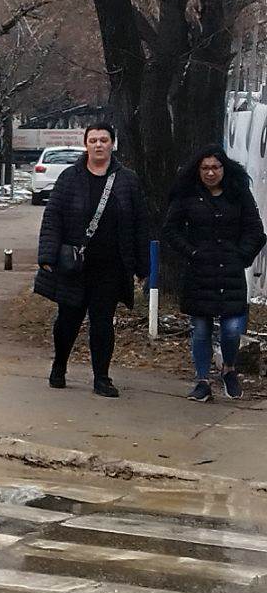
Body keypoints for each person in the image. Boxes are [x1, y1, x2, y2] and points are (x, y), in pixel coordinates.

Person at [35, 120, 149, 397]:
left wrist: (142, 264)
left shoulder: (127, 180)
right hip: (73, 265)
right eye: (93, 140)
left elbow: (139, 223)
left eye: (104, 140)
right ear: (86, 144)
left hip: (110, 266)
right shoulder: (70, 177)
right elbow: (53, 217)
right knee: (67, 320)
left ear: (113, 144)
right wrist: (48, 256)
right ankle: (59, 366)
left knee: (102, 322)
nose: (99, 144)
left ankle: (102, 377)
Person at [161, 146, 265, 401]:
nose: (210, 173)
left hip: (230, 270)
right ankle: (202, 379)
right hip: (199, 272)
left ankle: (228, 368)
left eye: (215, 168)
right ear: (198, 170)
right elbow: (171, 230)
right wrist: (192, 253)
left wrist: (241, 255)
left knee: (231, 328)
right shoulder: (187, 196)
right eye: (205, 168)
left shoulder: (238, 194)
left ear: (224, 169)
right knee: (200, 327)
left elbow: (256, 230)